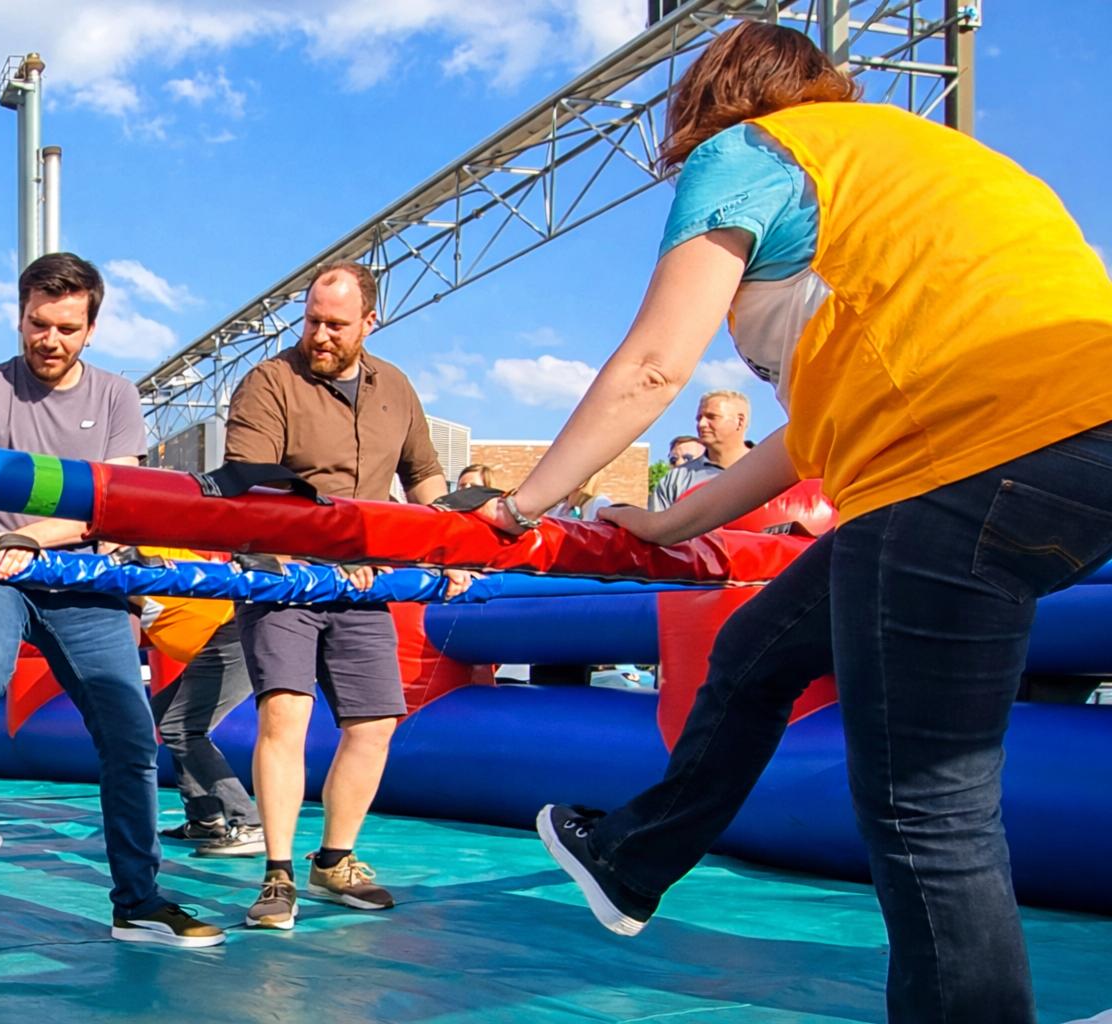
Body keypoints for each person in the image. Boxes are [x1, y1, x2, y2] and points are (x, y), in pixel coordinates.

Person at [476, 22, 1112, 1022]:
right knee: (762, 643)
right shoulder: (926, 166)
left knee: (927, 809)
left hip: (964, 464)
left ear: (713, 102)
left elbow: (655, 363)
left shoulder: (755, 149)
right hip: (1078, 447)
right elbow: (809, 433)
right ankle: (633, 859)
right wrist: (678, 517)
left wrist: (522, 503)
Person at [0, 252, 223, 947]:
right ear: (20, 316)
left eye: (67, 328)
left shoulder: (115, 397)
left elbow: (115, 505)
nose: (50, 340)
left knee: (130, 735)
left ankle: (138, 899)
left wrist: (35, 535)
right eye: (39, 324)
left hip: (78, 578)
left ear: (91, 329)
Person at [224, 260, 470, 930]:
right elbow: (253, 486)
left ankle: (334, 859)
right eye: (311, 321)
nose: (321, 335)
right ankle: (276, 876)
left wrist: (450, 546)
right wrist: (311, 559)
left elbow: (423, 475)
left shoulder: (396, 388)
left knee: (375, 724)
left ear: (370, 321)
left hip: (364, 584)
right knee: (286, 715)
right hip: (283, 577)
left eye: (336, 324)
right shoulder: (269, 382)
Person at [134, 552, 263, 857]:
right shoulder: (126, 565)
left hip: (233, 637)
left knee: (181, 727)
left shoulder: (147, 553)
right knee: (166, 714)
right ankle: (205, 817)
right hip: (215, 642)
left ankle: (249, 823)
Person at [649, 391, 752, 509]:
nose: (701, 424)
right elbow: (658, 525)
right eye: (699, 418)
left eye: (712, 417)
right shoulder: (676, 480)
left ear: (740, 421)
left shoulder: (770, 468)